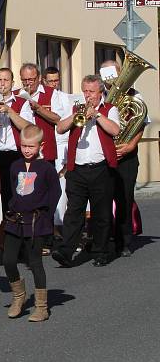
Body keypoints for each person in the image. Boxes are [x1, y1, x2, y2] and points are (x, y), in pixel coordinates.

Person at [52, 75, 120, 268]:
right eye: (85, 91)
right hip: (78, 169)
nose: (87, 95)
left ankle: (101, 251)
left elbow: (115, 130)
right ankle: (66, 251)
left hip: (101, 168)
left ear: (100, 92)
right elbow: (60, 128)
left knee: (101, 213)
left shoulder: (110, 109)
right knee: (74, 212)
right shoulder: (76, 109)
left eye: (91, 92)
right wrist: (76, 116)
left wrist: (97, 115)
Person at [1, 125, 61, 322]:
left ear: (40, 146)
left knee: (35, 263)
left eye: (31, 146)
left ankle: (41, 307)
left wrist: (47, 217)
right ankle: (19, 296)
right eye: (24, 146)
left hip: (36, 222)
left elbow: (55, 193)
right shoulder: (15, 166)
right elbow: (12, 189)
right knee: (8, 260)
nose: (27, 150)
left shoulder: (47, 169)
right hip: (15, 220)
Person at [0, 68, 35, 256]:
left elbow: (27, 127)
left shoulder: (21, 103)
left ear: (12, 83)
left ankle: (16, 246)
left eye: (6, 80)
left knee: (15, 201)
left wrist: (9, 111)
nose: (2, 83)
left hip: (14, 155)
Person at [100, 59, 148, 257]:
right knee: (101, 198)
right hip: (104, 154)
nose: (110, 77)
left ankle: (125, 240)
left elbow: (141, 123)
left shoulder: (135, 96)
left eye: (113, 73)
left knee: (124, 197)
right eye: (105, 73)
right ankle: (103, 238)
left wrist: (130, 145)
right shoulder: (99, 95)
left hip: (126, 154)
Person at [15, 63, 71, 166]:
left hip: (46, 152)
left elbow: (57, 119)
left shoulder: (51, 93)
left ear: (39, 78)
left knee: (45, 181)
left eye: (31, 79)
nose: (28, 83)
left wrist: (39, 109)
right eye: (24, 80)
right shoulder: (15, 95)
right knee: (24, 182)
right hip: (21, 154)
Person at [42, 66, 71, 235]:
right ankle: (48, 228)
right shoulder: (40, 96)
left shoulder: (65, 98)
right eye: (50, 81)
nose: (54, 84)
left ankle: (60, 227)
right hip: (45, 146)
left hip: (62, 145)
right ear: (44, 81)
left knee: (61, 189)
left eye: (56, 80)